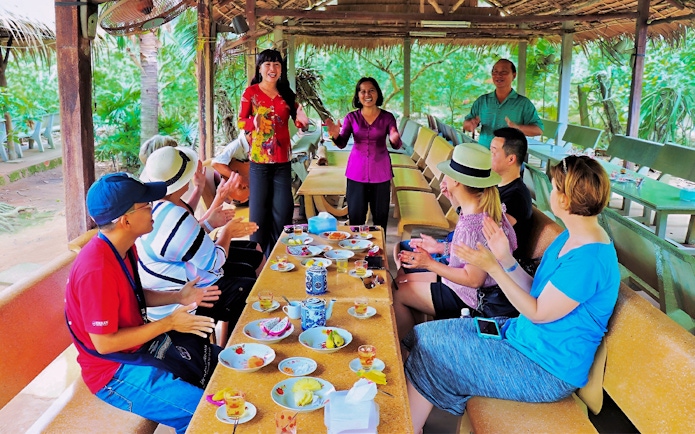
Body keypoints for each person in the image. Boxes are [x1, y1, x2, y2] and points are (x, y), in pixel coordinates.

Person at [404, 155, 620, 433]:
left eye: (554, 188)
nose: (550, 194)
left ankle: (407, 426)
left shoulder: (589, 260)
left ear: (565, 200)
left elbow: (538, 312)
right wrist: (505, 258)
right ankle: (410, 425)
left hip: (544, 369)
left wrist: (493, 267)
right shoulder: (571, 237)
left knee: (433, 352)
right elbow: (536, 291)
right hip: (522, 339)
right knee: (424, 337)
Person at [65, 173, 221, 433]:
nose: (154, 210)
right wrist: (170, 323)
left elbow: (133, 292)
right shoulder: (97, 269)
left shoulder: (122, 247)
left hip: (139, 348)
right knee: (205, 415)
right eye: (146, 206)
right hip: (113, 372)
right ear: (125, 221)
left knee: (225, 366)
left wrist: (178, 296)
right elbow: (105, 344)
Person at [392, 143, 517, 341]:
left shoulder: (474, 225)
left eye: (448, 174)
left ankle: (409, 349)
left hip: (472, 297)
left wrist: (429, 263)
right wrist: (441, 247)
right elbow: (469, 253)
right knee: (400, 281)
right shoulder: (478, 209)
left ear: (458, 182)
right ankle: (417, 335)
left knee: (398, 293)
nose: (445, 177)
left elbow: (473, 279)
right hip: (466, 286)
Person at [136, 146, 259, 331]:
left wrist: (211, 224)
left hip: (175, 290)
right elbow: (214, 262)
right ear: (183, 182)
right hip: (178, 303)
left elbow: (188, 239)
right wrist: (227, 232)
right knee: (251, 292)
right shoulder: (175, 215)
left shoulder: (159, 207)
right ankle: (241, 346)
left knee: (246, 271)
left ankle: (232, 341)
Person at [394, 127, 532, 270]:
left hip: (478, 269)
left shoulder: (516, 197)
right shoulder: (491, 185)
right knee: (402, 248)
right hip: (460, 248)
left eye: (493, 152)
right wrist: (453, 198)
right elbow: (468, 224)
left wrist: (440, 248)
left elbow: (482, 243)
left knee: (405, 261)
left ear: (511, 159)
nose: (487, 156)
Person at [238, 48, 309, 257]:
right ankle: (258, 260)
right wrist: (254, 122)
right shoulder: (250, 93)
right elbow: (241, 122)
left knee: (283, 211)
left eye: (277, 64)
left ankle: (279, 257)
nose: (272, 68)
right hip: (259, 163)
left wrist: (303, 122)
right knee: (258, 215)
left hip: (282, 163)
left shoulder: (288, 95)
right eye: (268, 64)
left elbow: (300, 121)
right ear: (260, 68)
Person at [325, 77, 402, 230]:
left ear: (377, 94)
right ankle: (357, 252)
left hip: (381, 173)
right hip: (356, 173)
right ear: (358, 95)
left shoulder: (387, 117)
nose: (367, 94)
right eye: (363, 91)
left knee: (380, 221)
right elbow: (341, 143)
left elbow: (397, 144)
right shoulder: (351, 117)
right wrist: (334, 134)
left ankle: (378, 253)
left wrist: (395, 137)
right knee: (356, 219)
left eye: (371, 90)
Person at [463, 59, 543, 148]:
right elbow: (466, 124)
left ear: (514, 75)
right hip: (484, 153)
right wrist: (471, 124)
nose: (498, 75)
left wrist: (517, 128)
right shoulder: (482, 101)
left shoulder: (523, 103)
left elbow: (538, 130)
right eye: (495, 72)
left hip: (510, 157)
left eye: (504, 72)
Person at [211, 130, 253, 205]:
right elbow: (216, 163)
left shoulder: (252, 146)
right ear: (250, 135)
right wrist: (239, 178)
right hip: (235, 190)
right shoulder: (236, 145)